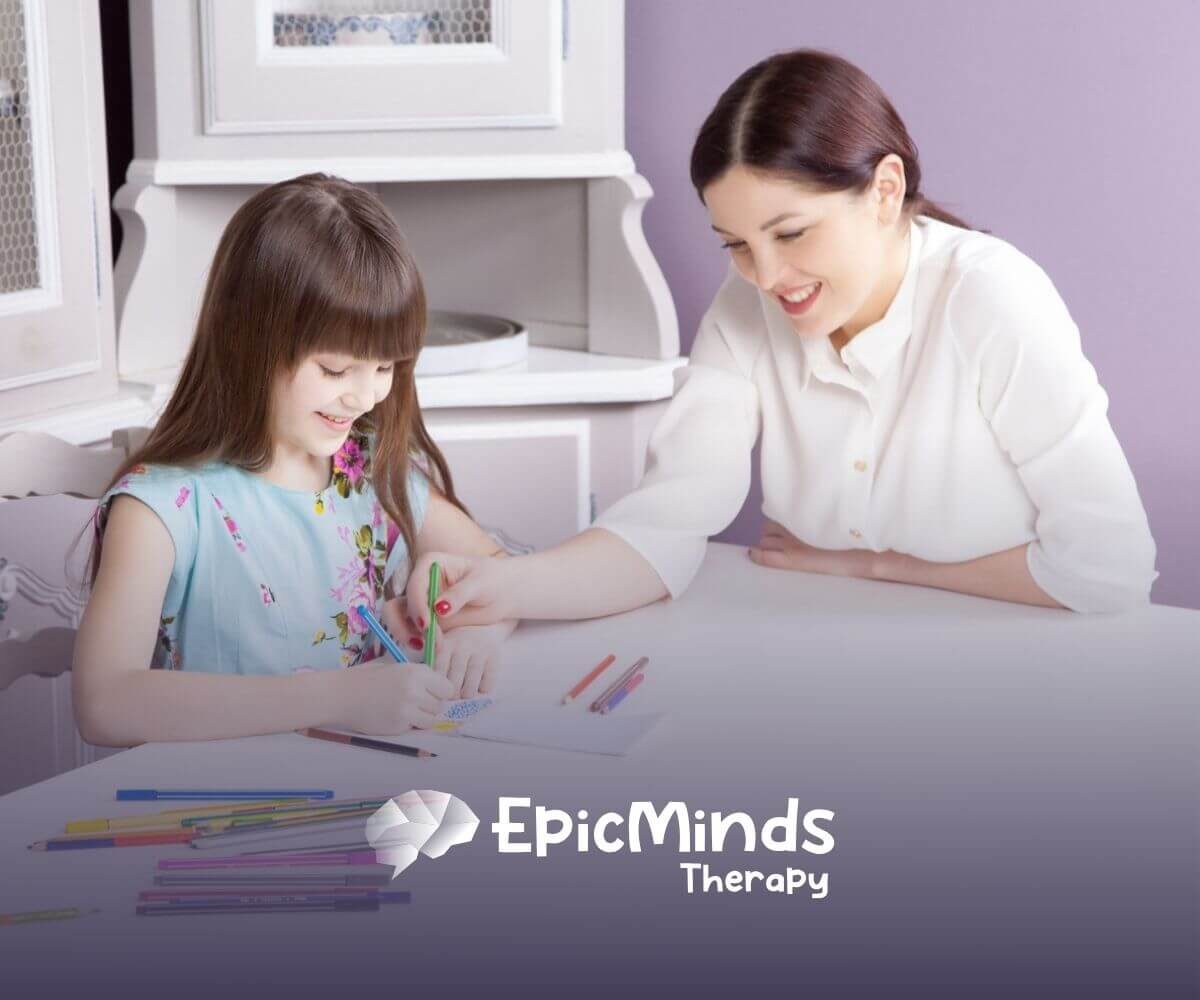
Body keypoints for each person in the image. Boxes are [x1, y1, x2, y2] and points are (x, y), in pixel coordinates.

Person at [405, 49, 1156, 628]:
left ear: (885, 191)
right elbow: (668, 521)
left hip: (1016, 659)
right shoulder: (746, 309)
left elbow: (1110, 571)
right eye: (734, 243)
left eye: (791, 233)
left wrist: (874, 567)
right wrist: (505, 586)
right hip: (815, 645)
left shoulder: (992, 297)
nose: (766, 275)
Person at [73, 174, 511, 747]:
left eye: (386, 368)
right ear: (247, 341)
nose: (364, 397)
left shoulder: (369, 471)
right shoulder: (163, 509)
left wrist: (471, 631)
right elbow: (104, 703)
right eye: (334, 370)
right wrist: (344, 696)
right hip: (221, 812)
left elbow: (500, 573)